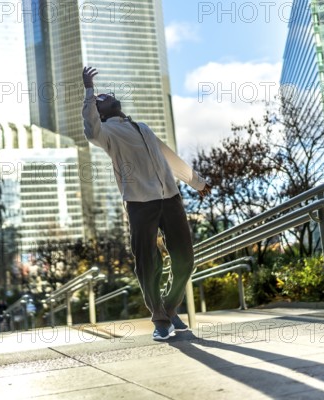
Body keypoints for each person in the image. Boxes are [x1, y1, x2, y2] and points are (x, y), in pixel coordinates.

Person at [81, 66, 211, 341]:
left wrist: (196, 182)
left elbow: (169, 157)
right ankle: (161, 320)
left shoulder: (143, 128)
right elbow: (90, 130)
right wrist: (89, 92)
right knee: (148, 263)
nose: (106, 96)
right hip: (140, 203)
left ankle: (168, 306)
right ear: (100, 111)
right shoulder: (106, 132)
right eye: (101, 99)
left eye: (105, 95)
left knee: (185, 259)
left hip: (170, 198)